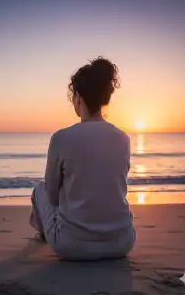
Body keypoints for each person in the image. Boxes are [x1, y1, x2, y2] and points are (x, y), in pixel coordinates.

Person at [29, 56, 136, 261]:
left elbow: (51, 197)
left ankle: (43, 233)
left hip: (73, 246)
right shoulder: (123, 138)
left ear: (77, 97)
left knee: (39, 189)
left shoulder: (61, 138)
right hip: (122, 243)